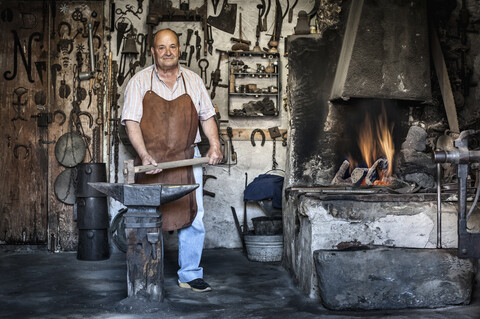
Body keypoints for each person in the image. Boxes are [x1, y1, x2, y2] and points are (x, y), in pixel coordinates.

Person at [121, 28, 223, 292]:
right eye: (161, 47)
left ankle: (189, 274)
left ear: (179, 50)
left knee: (193, 215)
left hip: (187, 159)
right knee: (146, 217)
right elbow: (131, 122)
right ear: (153, 51)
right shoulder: (139, 82)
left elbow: (207, 117)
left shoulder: (194, 80)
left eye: (172, 47)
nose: (167, 52)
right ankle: (145, 272)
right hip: (151, 161)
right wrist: (144, 155)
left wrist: (214, 145)